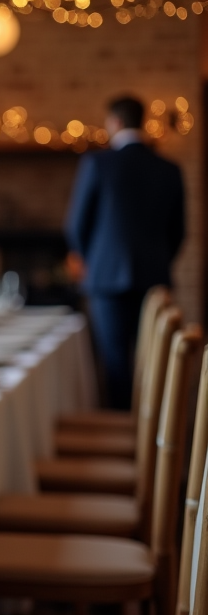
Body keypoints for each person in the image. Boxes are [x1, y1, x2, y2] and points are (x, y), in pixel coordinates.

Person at [66, 95, 185, 410]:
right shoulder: (169, 169)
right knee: (152, 363)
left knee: (115, 363)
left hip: (105, 279)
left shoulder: (96, 163)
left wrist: (89, 260)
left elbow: (76, 224)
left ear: (114, 123)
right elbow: (179, 231)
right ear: (142, 120)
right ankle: (152, 432)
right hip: (155, 277)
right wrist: (158, 260)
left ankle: (123, 432)